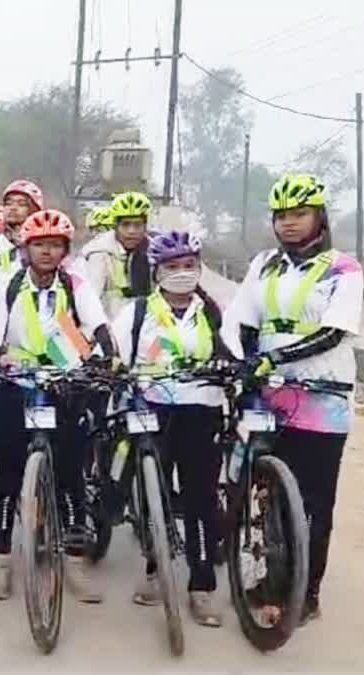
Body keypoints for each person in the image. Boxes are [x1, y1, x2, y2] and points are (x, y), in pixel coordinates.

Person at [229, 174, 363, 624]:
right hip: (270, 396)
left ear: (319, 218)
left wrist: (280, 356)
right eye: (281, 216)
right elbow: (244, 319)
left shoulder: (344, 268)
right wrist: (247, 361)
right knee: (268, 495)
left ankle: (307, 594)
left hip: (322, 398)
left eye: (298, 215)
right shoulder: (265, 263)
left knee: (313, 502)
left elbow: (334, 331)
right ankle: (273, 578)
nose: (288, 224)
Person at [0, 209, 113, 604]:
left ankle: (74, 562)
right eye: (40, 244)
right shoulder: (8, 284)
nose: (47, 252)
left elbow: (99, 327)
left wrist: (103, 360)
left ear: (65, 250)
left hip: (65, 386)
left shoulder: (76, 285)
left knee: (71, 475)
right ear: (26, 247)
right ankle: (1, 561)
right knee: (6, 476)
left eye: (55, 245)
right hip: (16, 385)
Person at [112, 230, 233, 627]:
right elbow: (114, 357)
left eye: (188, 266)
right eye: (172, 267)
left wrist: (226, 368)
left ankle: (201, 586)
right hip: (152, 410)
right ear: (156, 271)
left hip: (202, 410)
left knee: (200, 499)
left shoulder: (214, 313)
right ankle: (153, 568)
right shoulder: (137, 312)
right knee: (154, 494)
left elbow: (232, 355)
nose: (181, 274)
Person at [83, 191, 153, 319]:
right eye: (125, 225)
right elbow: (92, 297)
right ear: (115, 225)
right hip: (110, 325)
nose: (131, 231)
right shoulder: (99, 252)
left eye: (137, 225)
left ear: (145, 226)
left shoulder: (154, 252)